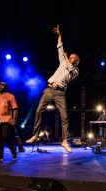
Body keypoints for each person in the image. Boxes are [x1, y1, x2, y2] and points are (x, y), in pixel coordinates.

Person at [25, 25, 80, 153]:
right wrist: (59, 34)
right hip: (49, 89)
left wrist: (67, 58)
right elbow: (60, 47)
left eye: (73, 57)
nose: (70, 57)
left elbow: (69, 69)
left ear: (76, 61)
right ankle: (35, 135)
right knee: (38, 111)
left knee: (64, 117)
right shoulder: (63, 61)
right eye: (70, 56)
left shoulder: (76, 70)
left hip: (60, 93)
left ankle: (65, 141)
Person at [0, 82, 18, 161]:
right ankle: (0, 156)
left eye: (2, 85)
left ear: (6, 87)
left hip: (6, 119)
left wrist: (14, 119)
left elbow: (15, 108)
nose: (0, 86)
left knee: (5, 135)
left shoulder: (11, 96)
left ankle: (13, 150)